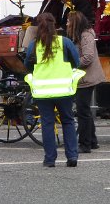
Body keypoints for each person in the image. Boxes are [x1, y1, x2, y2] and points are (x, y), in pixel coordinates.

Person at [24, 13, 82, 168]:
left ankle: (50, 159)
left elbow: (27, 65)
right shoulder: (64, 42)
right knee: (68, 121)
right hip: (64, 90)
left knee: (47, 123)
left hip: (42, 91)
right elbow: (76, 62)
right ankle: (72, 157)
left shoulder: (34, 45)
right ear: (54, 25)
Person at [66, 11, 103, 152]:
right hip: (84, 77)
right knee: (85, 110)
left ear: (75, 23)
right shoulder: (80, 35)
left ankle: (85, 144)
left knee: (82, 111)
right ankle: (92, 141)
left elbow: (88, 57)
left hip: (86, 78)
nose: (67, 23)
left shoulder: (85, 35)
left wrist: (72, 64)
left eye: (69, 21)